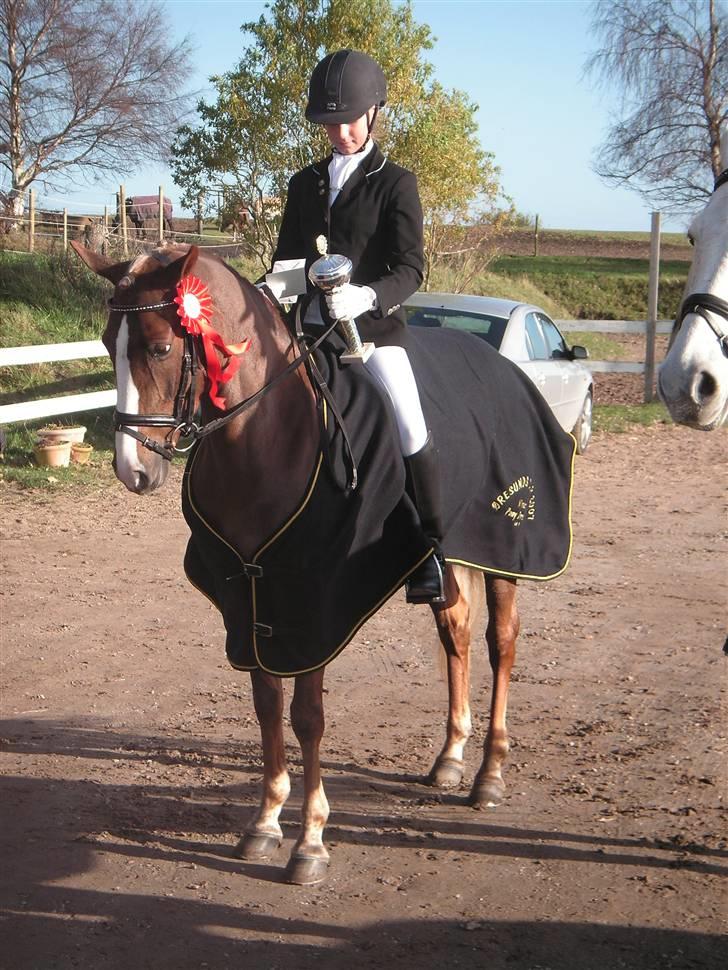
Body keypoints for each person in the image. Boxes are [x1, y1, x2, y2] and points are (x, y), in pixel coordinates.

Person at [270, 48, 445, 605]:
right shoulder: (304, 184)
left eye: (349, 120)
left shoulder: (396, 183)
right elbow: (290, 264)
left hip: (373, 335)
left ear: (373, 114)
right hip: (307, 335)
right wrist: (270, 288)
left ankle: (429, 550)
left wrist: (366, 294)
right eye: (330, 124)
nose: (340, 132)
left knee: (409, 422)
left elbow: (411, 268)